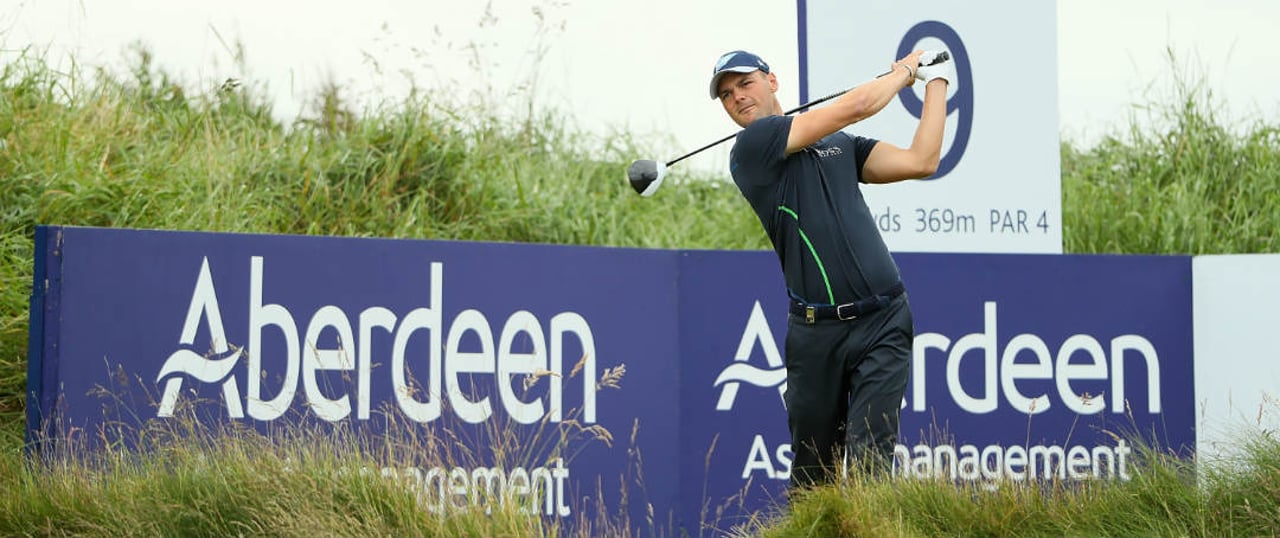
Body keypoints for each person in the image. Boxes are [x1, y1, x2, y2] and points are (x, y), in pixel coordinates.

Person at [709, 49, 953, 487]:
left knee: (869, 468)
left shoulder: (838, 145)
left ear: (772, 81)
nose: (737, 97)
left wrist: (937, 81)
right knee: (813, 478)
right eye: (726, 94)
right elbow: (857, 105)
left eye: (745, 83)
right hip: (815, 335)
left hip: (884, 319)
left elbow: (922, 160)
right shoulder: (752, 148)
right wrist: (905, 72)